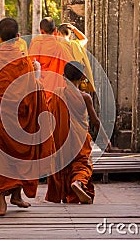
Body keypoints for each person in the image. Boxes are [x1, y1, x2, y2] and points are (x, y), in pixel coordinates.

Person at [0, 18, 55, 216]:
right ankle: (17, 194)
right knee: (19, 154)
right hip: (21, 116)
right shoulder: (24, 57)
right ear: (18, 37)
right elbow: (33, 86)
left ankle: (3, 204)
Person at [45, 61, 101, 204]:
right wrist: (106, 140)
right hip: (80, 138)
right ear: (83, 77)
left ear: (64, 77)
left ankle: (67, 190)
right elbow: (95, 121)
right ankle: (78, 182)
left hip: (61, 138)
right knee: (83, 163)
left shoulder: (57, 94)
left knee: (64, 164)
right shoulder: (85, 97)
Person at [29, 17, 74, 100]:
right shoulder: (60, 46)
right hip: (57, 91)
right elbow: (70, 67)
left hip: (40, 89)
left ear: (41, 31)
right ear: (55, 30)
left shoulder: (36, 43)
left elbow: (31, 67)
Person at [58, 23, 95, 92]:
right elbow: (84, 39)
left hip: (63, 78)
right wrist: (74, 29)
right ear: (70, 35)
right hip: (77, 78)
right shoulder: (77, 44)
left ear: (59, 33)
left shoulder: (57, 45)